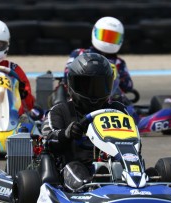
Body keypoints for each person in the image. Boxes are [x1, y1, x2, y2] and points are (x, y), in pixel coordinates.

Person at [41, 53, 129, 192]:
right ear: (72, 84)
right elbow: (47, 142)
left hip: (115, 165)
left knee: (161, 169)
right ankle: (93, 188)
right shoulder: (61, 111)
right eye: (87, 86)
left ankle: (138, 183)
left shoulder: (117, 109)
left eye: (99, 86)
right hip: (74, 167)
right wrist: (67, 134)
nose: (93, 92)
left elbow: (134, 142)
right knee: (76, 168)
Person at [64, 16, 133, 95]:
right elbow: (67, 78)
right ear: (95, 32)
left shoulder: (119, 63)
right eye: (105, 35)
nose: (108, 41)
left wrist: (117, 76)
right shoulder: (79, 54)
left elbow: (129, 86)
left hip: (110, 100)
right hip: (81, 96)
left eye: (112, 37)